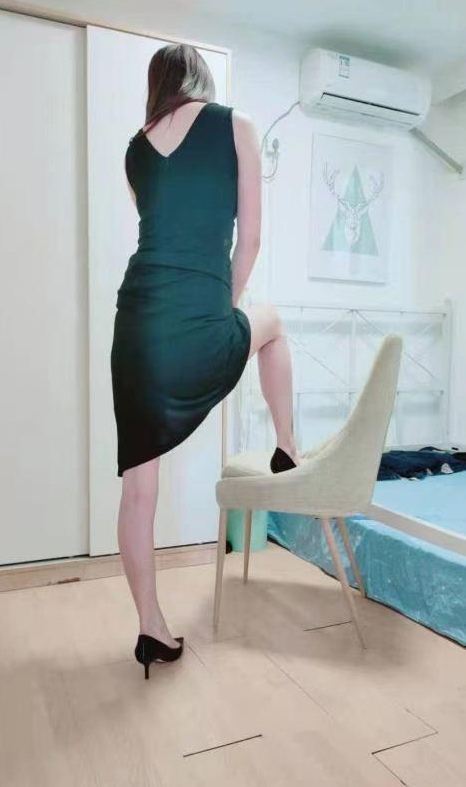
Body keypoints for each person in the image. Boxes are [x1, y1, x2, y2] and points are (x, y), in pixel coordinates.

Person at [110, 43, 299, 679]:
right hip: (199, 318)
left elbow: (164, 229)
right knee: (274, 327)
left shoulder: (135, 151)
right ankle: (287, 446)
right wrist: (223, 310)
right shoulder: (237, 125)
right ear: (202, 79)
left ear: (156, 84)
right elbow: (251, 239)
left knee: (139, 488)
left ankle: (150, 628)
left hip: (136, 327)